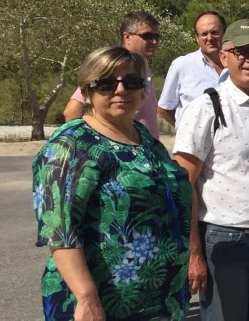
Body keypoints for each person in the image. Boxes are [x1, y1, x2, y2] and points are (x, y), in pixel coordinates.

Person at [33, 46, 192, 320]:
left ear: (144, 91)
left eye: (132, 82)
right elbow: (59, 230)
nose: (121, 90)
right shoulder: (71, 145)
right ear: (87, 91)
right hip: (101, 301)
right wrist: (86, 297)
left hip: (160, 298)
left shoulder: (144, 138)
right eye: (106, 83)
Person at [173, 19, 249, 321]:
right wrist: (194, 254)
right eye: (242, 51)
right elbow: (183, 183)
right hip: (225, 242)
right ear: (224, 56)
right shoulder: (206, 107)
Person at [62, 11, 162, 139]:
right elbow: (71, 111)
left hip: (144, 150)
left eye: (156, 37)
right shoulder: (111, 69)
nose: (154, 41)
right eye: (147, 36)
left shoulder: (142, 69)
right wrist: (87, 144)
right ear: (127, 37)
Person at [158, 11, 227, 127]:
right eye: (204, 34)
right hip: (193, 144)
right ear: (197, 38)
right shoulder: (182, 65)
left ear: (224, 34)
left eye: (214, 32)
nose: (209, 38)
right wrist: (184, 131)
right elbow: (165, 107)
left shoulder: (236, 65)